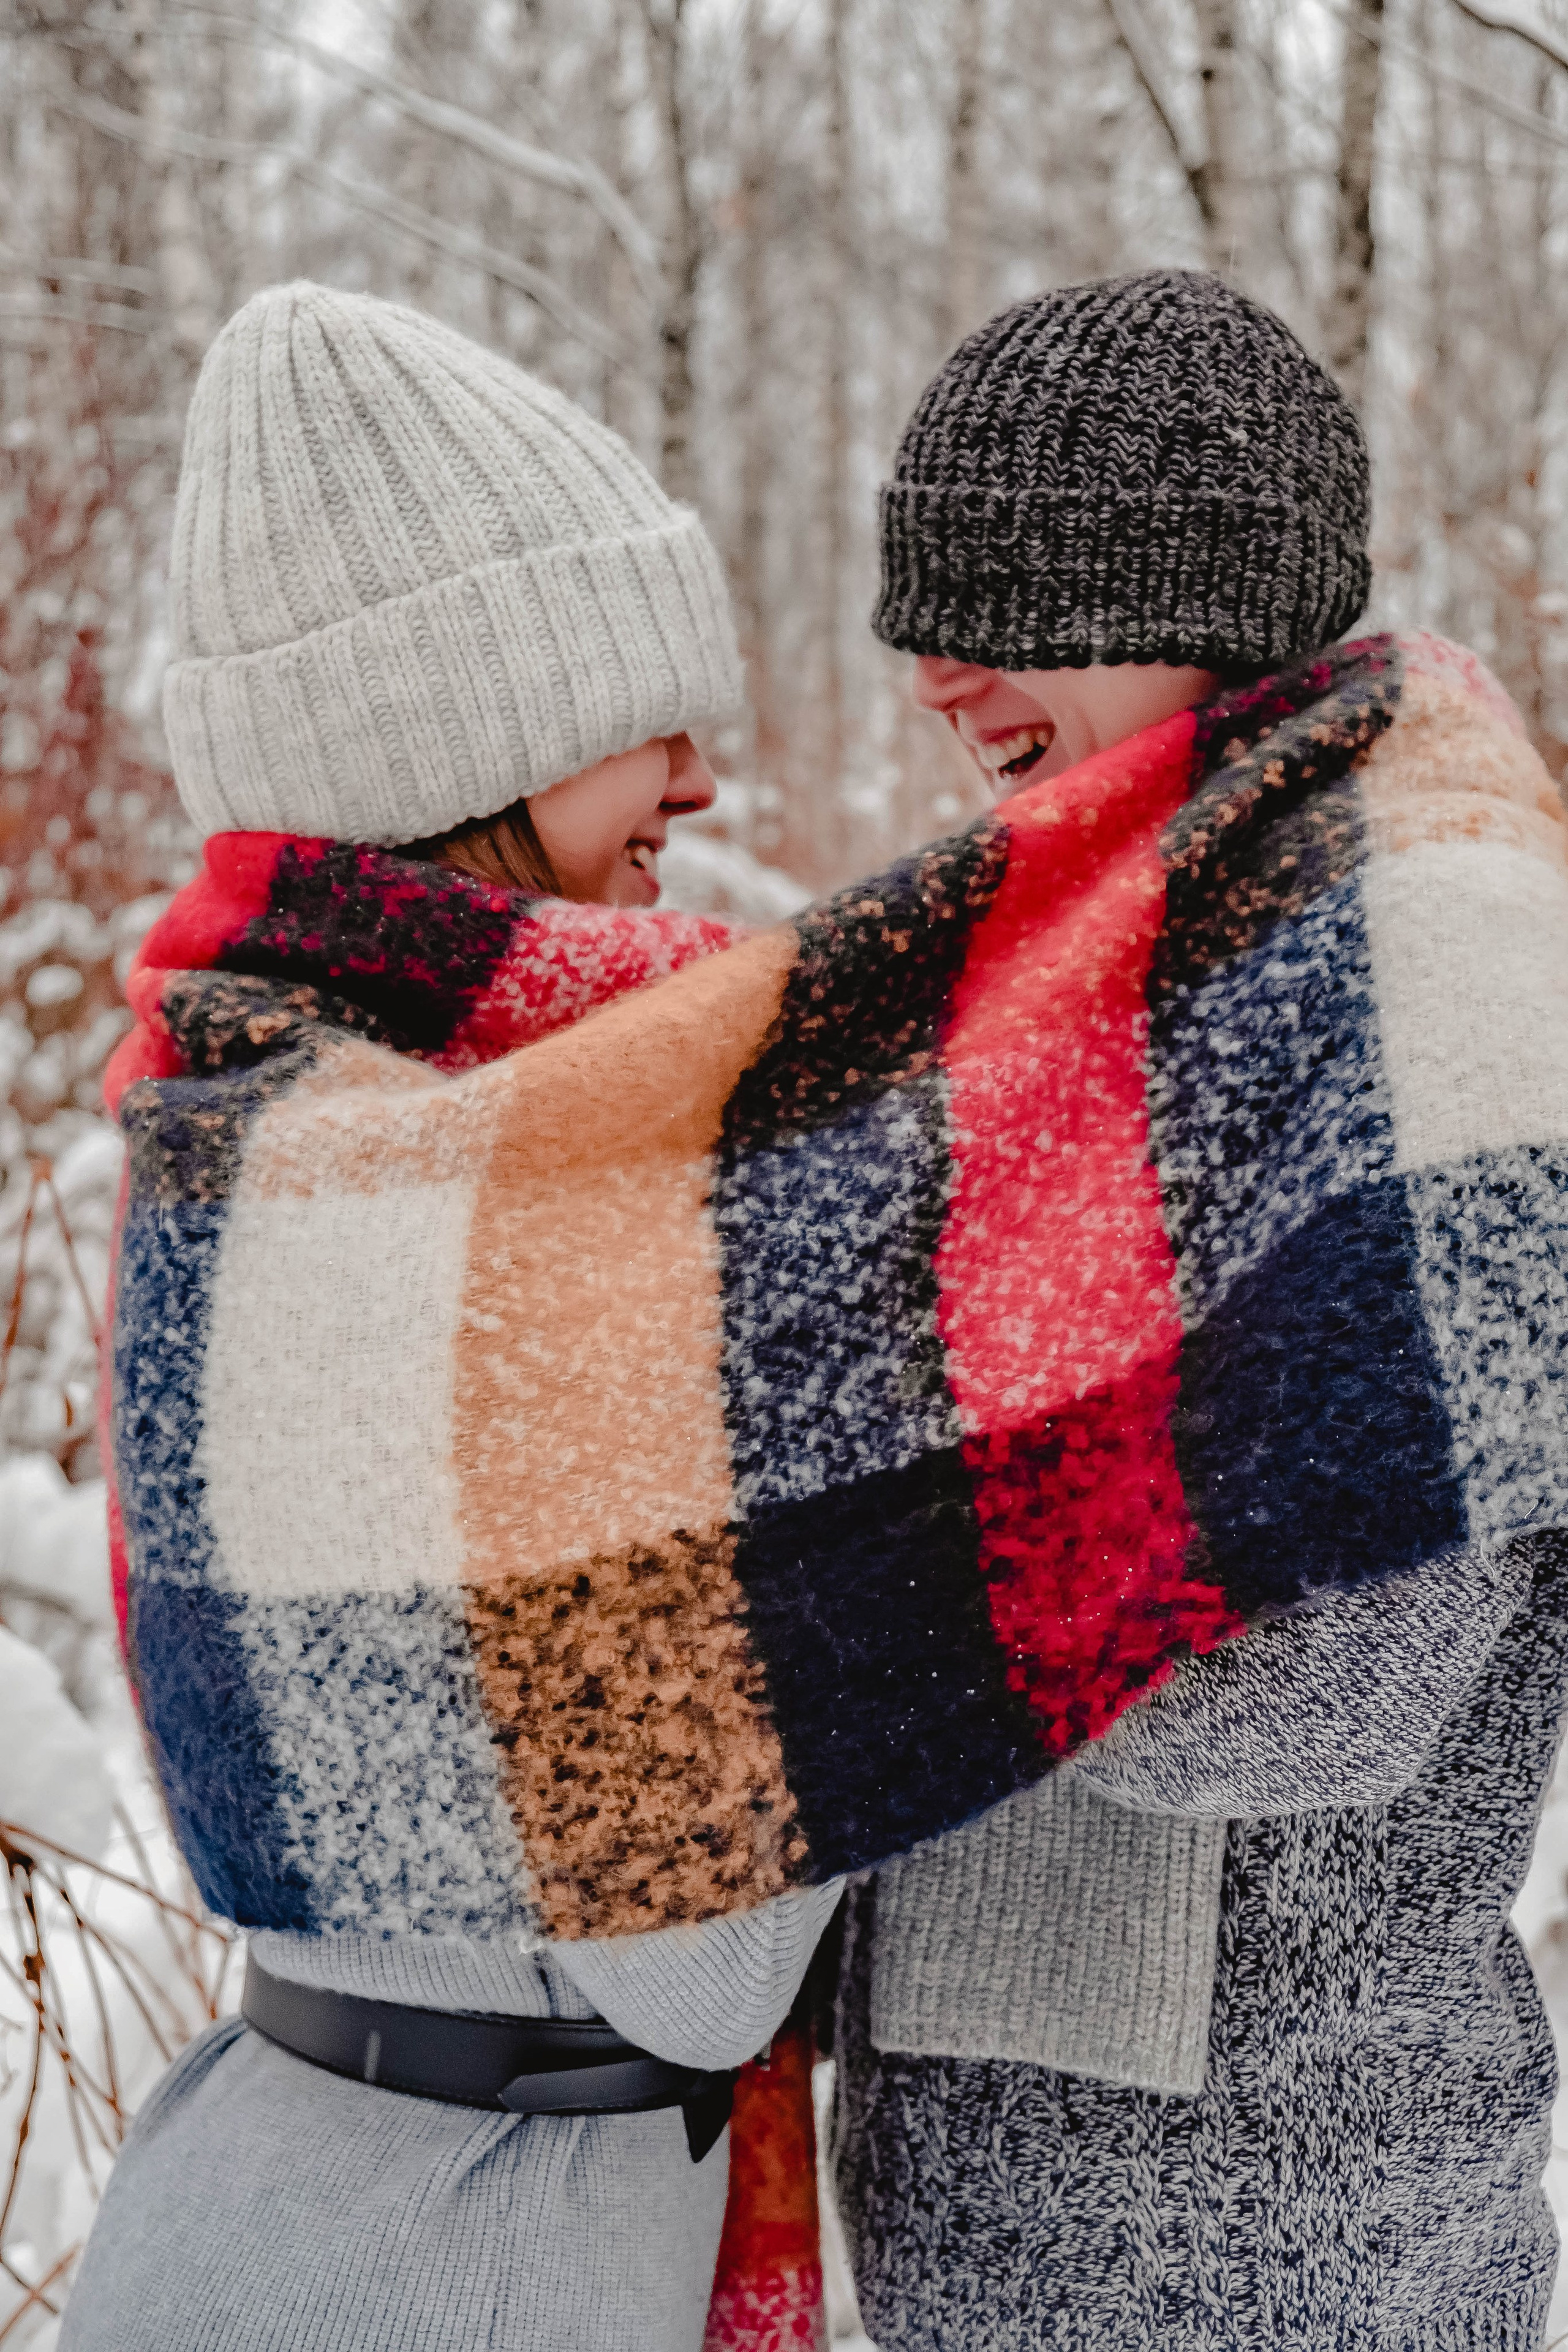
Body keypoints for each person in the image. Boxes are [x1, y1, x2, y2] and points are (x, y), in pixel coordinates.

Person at [63, 281, 842, 2352]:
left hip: (294, 2207)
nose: (695, 766)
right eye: (636, 711)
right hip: (474, 2267)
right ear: (459, 743)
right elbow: (705, 1968)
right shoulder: (487, 1215)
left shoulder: (246, 1130)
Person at [831, 267, 1568, 2348]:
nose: (934, 675)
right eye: (922, 612)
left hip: (1277, 2244)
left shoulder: (1447, 993)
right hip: (998, 2196)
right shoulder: (1102, 979)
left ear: (1201, 597)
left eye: (1002, 604)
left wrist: (838, 1535)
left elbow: (1315, 1683)